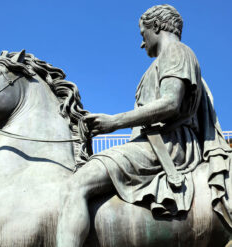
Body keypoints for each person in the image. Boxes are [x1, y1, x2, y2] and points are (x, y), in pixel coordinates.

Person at [56, 4, 232, 247]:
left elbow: (171, 104)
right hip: (155, 142)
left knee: (76, 184)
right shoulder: (165, 60)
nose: (142, 43)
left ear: (157, 26)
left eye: (143, 34)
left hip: (169, 144)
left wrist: (114, 121)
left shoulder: (177, 52)